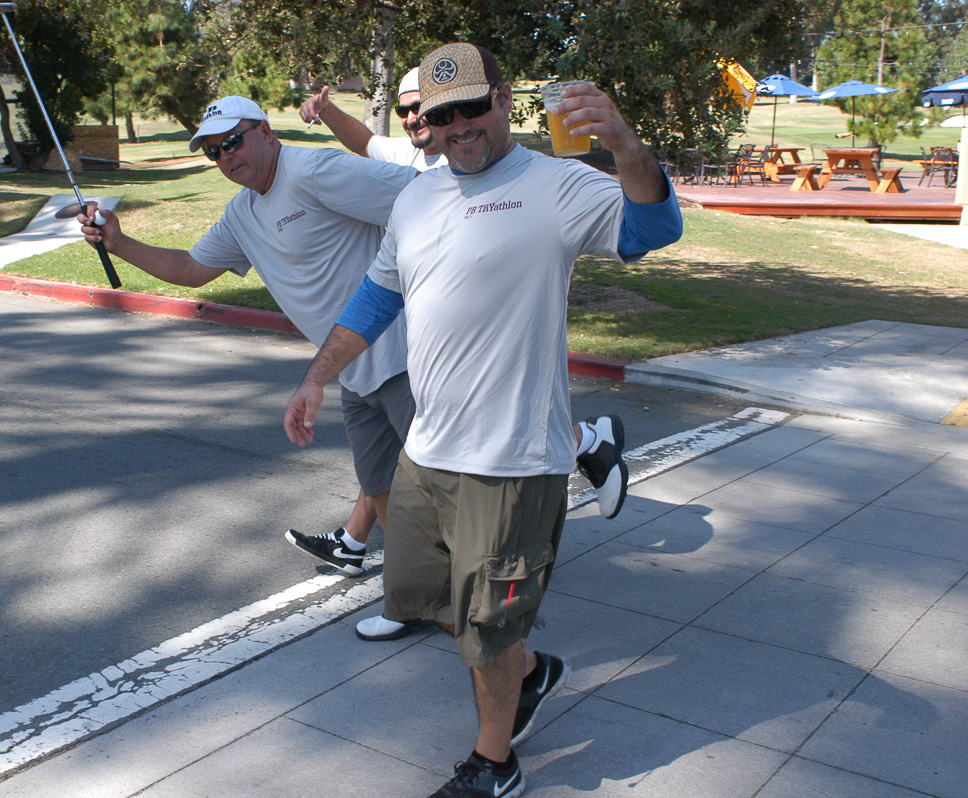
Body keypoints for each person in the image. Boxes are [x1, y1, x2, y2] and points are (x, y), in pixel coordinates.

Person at [283, 42, 683, 798]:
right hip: (427, 453)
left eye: (472, 106)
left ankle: (495, 765)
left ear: (501, 100)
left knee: (491, 627)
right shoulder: (417, 197)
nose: (459, 126)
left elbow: (651, 231)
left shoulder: (555, 184)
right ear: (425, 122)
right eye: (442, 115)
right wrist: (315, 378)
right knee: (426, 601)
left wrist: (627, 149)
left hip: (513, 464)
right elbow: (377, 296)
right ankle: (529, 673)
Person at [78, 95, 418, 589]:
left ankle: (481, 598)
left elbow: (423, 196)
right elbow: (190, 268)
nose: (226, 156)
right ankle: (417, 597)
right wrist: (119, 243)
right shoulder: (243, 213)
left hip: (405, 356)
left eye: (233, 141)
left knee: (444, 488)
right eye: (213, 151)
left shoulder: (315, 171)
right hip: (349, 370)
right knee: (382, 485)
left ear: (266, 132)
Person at [299, 67, 446, 171]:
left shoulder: (456, 161)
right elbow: (365, 143)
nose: (410, 120)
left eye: (417, 108)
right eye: (402, 111)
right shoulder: (407, 152)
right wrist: (325, 109)